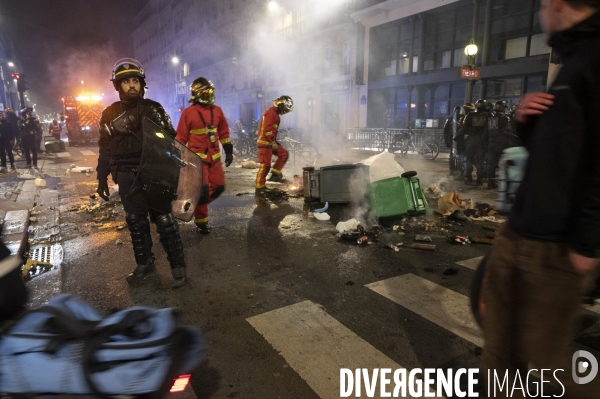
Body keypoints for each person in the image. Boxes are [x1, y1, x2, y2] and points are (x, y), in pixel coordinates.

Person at [482, 0, 600, 397]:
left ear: (556, 5)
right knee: (499, 352)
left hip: (557, 246)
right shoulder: (572, 59)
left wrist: (587, 240)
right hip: (520, 232)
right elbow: (562, 153)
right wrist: (528, 123)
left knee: (548, 366)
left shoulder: (593, 58)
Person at [96, 58, 188, 288]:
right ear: (118, 86)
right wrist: (101, 177)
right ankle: (144, 263)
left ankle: (178, 267)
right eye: (126, 81)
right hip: (126, 176)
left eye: (135, 80)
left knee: (165, 221)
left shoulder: (154, 109)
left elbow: (169, 141)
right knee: (136, 223)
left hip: (153, 173)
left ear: (142, 83)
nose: (132, 85)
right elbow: (105, 148)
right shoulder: (109, 113)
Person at [175, 77, 233, 235]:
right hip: (197, 162)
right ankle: (201, 223)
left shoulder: (217, 111)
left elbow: (224, 133)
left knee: (219, 188)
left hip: (214, 160)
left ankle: (197, 205)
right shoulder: (188, 113)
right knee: (203, 192)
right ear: (196, 94)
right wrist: (177, 157)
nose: (208, 95)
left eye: (210, 92)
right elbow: (180, 138)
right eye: (205, 92)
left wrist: (228, 150)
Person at [255, 95, 293, 192]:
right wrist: (272, 141)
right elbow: (267, 129)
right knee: (265, 166)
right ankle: (259, 186)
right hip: (265, 143)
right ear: (281, 105)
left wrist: (273, 142)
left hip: (271, 142)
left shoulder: (275, 114)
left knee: (284, 154)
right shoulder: (270, 113)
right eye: (285, 108)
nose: (285, 111)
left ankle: (275, 175)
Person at [484, 101, 511, 189]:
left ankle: (490, 182)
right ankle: (504, 182)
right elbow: (507, 131)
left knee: (491, 163)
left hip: (490, 142)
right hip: (501, 143)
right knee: (504, 163)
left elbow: (485, 132)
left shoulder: (490, 119)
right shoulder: (504, 118)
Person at [461, 99, 488, 185]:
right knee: (480, 161)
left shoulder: (470, 115)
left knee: (469, 160)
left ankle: (468, 178)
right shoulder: (487, 115)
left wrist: (458, 136)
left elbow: (464, 127)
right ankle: (479, 180)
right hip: (481, 141)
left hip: (471, 140)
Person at [452, 103, 474, 181]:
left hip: (465, 142)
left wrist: (457, 137)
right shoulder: (472, 118)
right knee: (467, 160)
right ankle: (467, 175)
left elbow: (462, 129)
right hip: (470, 142)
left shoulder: (467, 118)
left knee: (464, 159)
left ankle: (464, 175)